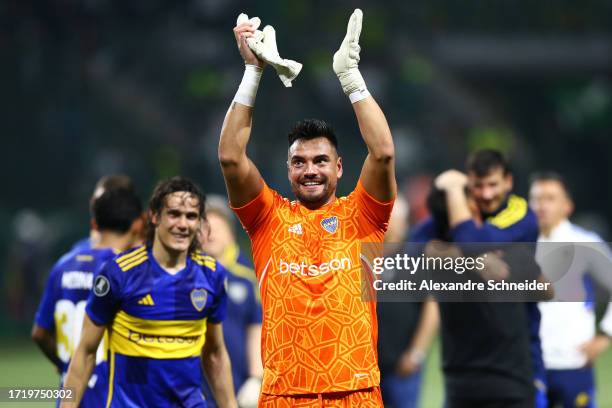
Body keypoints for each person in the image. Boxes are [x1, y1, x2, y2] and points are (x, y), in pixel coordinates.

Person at [219, 8, 395, 406]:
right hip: (284, 395)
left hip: (356, 393)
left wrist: (351, 79)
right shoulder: (266, 218)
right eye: (299, 162)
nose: (309, 170)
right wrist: (253, 72)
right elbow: (231, 158)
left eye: (319, 161)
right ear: (288, 169)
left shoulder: (364, 216)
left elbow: (382, 154)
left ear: (339, 167)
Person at [61, 177, 237, 407]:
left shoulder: (212, 276)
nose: (183, 224)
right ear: (155, 217)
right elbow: (85, 351)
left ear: (200, 223)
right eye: (174, 214)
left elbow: (214, 354)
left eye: (191, 216)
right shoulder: (119, 273)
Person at [418, 149, 547, 408]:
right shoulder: (463, 215)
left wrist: (454, 192)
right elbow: (415, 245)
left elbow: (472, 242)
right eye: (478, 186)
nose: (487, 195)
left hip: (519, 359)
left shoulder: (520, 215)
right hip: (466, 367)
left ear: (509, 182)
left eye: (493, 185)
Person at [32, 188, 143, 407]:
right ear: (138, 225)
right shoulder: (125, 270)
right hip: (111, 396)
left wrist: (65, 363)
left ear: (95, 224)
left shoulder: (63, 265)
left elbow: (39, 333)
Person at [530, 172, 612, 408]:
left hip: (572, 363)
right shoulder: (521, 245)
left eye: (550, 198)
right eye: (536, 198)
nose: (542, 205)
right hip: (530, 363)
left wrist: (605, 336)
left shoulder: (584, 243)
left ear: (567, 206)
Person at [200, 195, 263, 408]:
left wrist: (256, 378)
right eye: (205, 227)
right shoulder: (187, 273)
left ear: (230, 232)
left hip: (239, 386)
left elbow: (257, 326)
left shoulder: (248, 275)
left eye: (217, 226)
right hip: (197, 388)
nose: (211, 234)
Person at [377, 195, 439, 408]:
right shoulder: (366, 255)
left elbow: (432, 307)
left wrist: (416, 354)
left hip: (402, 367)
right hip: (367, 367)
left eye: (394, 218)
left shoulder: (415, 257)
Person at [71, 175, 138, 252]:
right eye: (99, 202)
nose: (102, 208)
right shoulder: (79, 251)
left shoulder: (150, 255)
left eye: (113, 203)